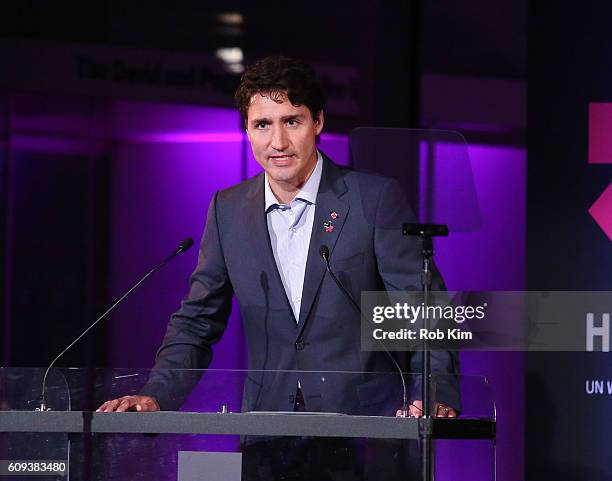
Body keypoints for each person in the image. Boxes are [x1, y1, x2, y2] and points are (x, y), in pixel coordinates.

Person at [98, 55, 459, 478]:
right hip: (268, 437)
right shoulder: (228, 209)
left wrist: (431, 391)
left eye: (292, 121)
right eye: (263, 125)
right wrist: (155, 395)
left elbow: (422, 309)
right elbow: (197, 321)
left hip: (365, 433)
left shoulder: (373, 200)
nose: (278, 142)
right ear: (247, 131)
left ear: (318, 122)